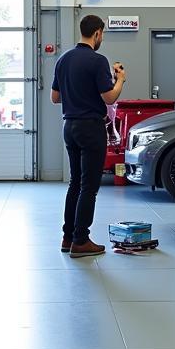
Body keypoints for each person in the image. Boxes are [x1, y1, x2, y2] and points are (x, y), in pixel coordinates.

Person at [51, 14, 127, 257]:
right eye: (102, 34)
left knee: (75, 182)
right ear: (97, 34)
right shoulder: (97, 60)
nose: (101, 38)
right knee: (89, 186)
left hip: (69, 126)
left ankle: (68, 236)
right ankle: (81, 240)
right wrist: (120, 80)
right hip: (90, 128)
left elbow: (55, 97)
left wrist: (76, 93)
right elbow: (109, 97)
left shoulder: (63, 59)